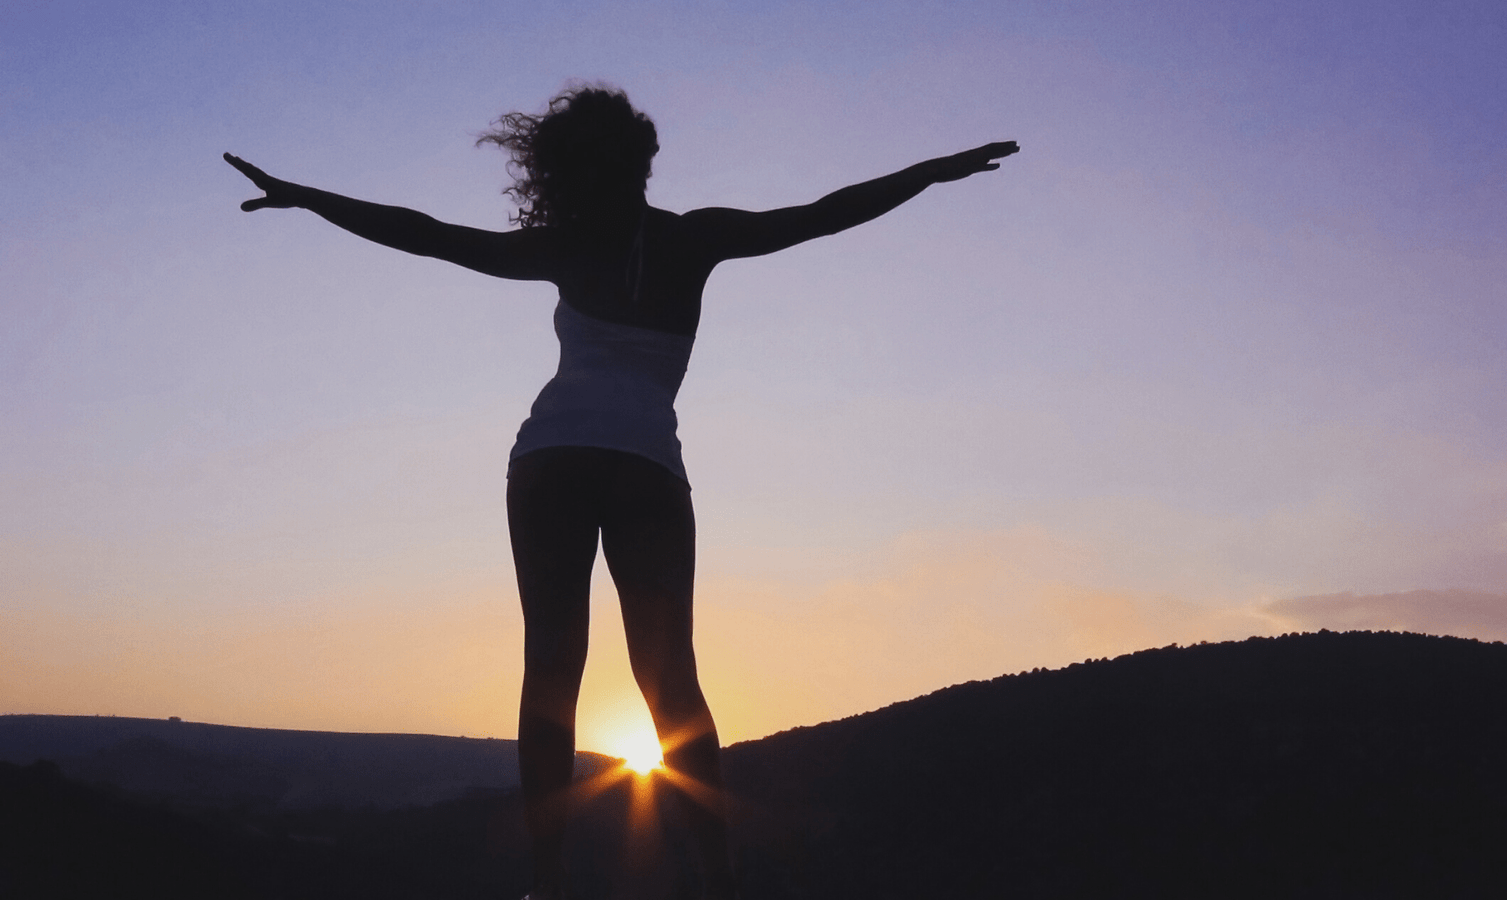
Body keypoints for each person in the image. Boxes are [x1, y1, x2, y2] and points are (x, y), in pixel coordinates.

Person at [227, 85, 1017, 900]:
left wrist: (305, 197)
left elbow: (430, 237)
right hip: (644, 468)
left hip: (551, 460)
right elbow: (825, 213)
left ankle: (550, 881)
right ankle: (715, 877)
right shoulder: (696, 238)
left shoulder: (565, 246)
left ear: (567, 167)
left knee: (552, 667)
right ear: (643, 162)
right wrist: (930, 171)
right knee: (671, 677)